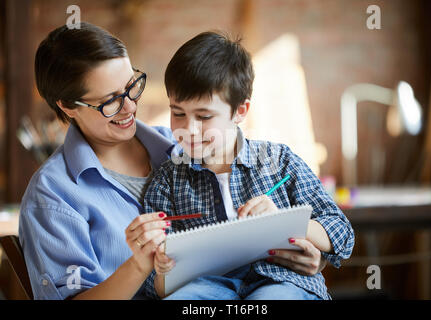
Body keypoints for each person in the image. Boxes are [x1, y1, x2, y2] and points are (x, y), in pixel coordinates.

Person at [143, 31, 355, 300]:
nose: (189, 129)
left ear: (240, 111)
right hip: (207, 288)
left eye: (204, 116)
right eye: (178, 113)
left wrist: (282, 222)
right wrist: (162, 270)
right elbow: (155, 284)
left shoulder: (279, 161)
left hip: (280, 282)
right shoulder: (168, 180)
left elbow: (341, 231)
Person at [19, 22, 176, 300]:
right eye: (110, 101)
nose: (129, 107)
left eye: (131, 87)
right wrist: (138, 265)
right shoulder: (53, 194)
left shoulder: (178, 149)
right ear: (67, 106)